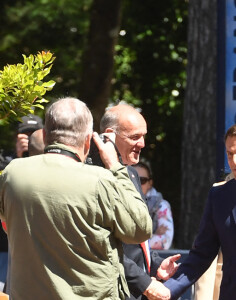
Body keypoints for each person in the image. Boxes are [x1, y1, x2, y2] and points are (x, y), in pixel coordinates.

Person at [0, 97, 153, 300]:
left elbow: (5, 221)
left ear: (45, 134)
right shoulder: (102, 180)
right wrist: (116, 167)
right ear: (89, 139)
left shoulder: (11, 174)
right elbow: (141, 229)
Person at [100, 104, 180, 300]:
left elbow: (136, 240)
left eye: (144, 135)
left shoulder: (132, 173)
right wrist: (145, 283)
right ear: (110, 135)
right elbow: (103, 247)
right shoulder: (96, 177)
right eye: (135, 137)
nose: (143, 143)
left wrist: (155, 265)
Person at [162, 124, 236, 300]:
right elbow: (202, 253)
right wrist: (168, 289)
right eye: (230, 154)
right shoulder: (219, 196)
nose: (234, 161)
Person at [0, 114, 43, 252]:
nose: (29, 139)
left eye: (33, 134)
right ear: (16, 137)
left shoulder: (51, 160)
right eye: (25, 134)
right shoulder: (4, 160)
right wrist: (15, 159)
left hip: (38, 240)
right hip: (4, 242)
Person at [133, 161, 174, 250]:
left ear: (150, 183)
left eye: (142, 180)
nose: (137, 184)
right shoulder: (119, 201)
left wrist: (132, 243)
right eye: (133, 179)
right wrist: (153, 235)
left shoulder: (161, 205)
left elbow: (164, 242)